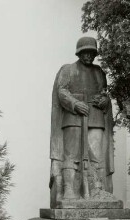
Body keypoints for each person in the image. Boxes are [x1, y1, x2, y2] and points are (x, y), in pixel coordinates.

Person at [49, 36, 114, 207]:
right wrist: (75, 104)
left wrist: (104, 101)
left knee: (97, 155)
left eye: (92, 52)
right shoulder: (68, 70)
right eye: (85, 52)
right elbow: (61, 92)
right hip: (73, 117)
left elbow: (104, 94)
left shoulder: (99, 72)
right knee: (72, 154)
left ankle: (97, 189)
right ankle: (69, 189)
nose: (89, 56)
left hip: (95, 117)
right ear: (79, 53)